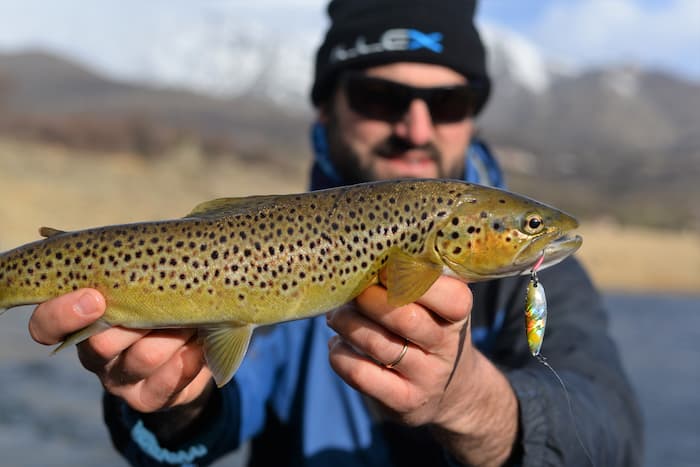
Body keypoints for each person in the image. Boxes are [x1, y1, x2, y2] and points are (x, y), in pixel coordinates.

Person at [27, 1, 643, 465]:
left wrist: (474, 402)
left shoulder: (533, 284)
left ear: (473, 116)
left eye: (449, 102)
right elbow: (223, 406)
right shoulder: (288, 241)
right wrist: (177, 407)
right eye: (380, 96)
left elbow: (613, 432)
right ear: (326, 108)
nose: (415, 126)